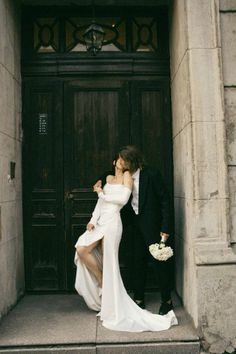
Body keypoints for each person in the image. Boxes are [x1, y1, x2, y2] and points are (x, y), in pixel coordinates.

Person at [74, 156, 177, 332]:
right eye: (119, 161)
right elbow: (104, 188)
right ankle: (132, 295)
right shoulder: (109, 176)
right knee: (132, 261)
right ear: (115, 163)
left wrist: (165, 227)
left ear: (132, 162)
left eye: (125, 161)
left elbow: (164, 200)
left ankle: (166, 300)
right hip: (128, 225)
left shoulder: (148, 174)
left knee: (158, 263)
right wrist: (93, 217)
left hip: (147, 225)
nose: (122, 163)